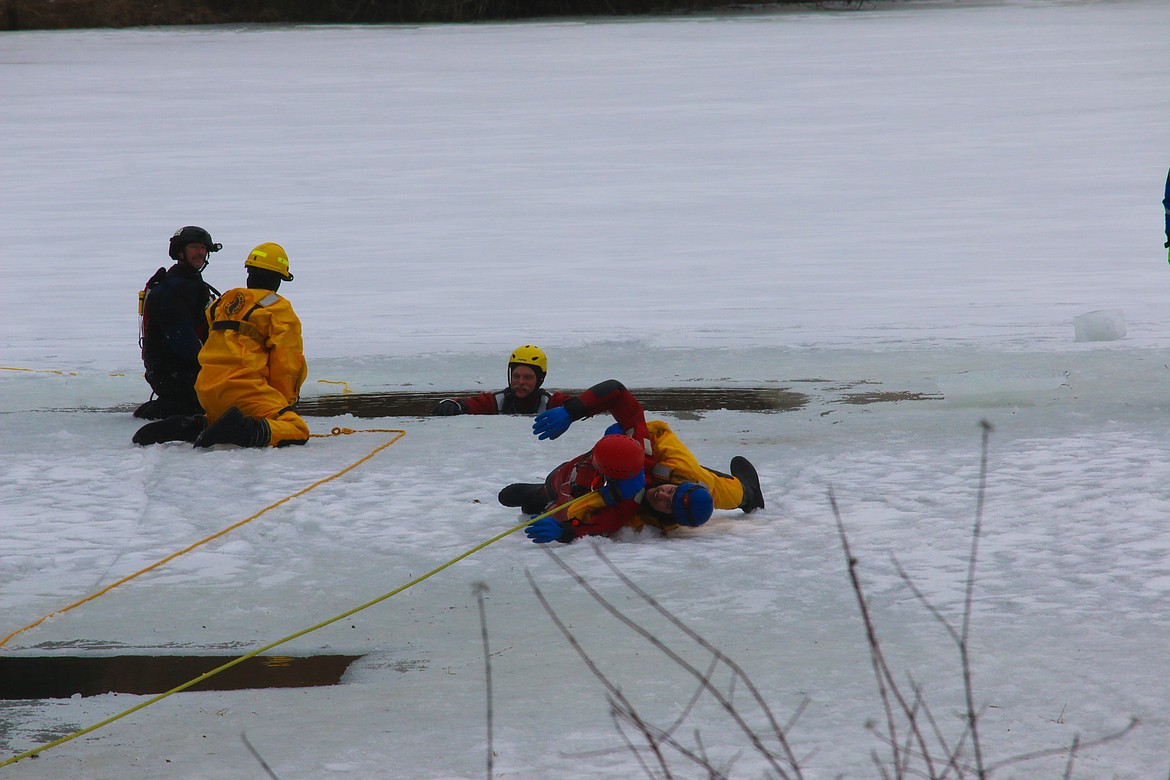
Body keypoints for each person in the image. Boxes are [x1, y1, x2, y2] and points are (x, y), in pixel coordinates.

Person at [498, 379, 765, 543]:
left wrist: (562, 527)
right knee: (719, 487)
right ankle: (749, 495)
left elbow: (600, 520)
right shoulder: (679, 469)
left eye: (666, 503)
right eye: (670, 491)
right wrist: (573, 411)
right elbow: (617, 393)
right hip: (656, 468)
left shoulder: (632, 510)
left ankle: (542, 493)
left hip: (570, 487)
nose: (662, 494)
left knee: (543, 495)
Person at [132, 242, 309, 448]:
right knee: (297, 429)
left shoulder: (225, 300)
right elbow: (287, 363)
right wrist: (283, 402)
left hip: (207, 390)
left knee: (219, 418)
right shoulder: (279, 309)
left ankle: (193, 425)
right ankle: (244, 430)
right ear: (279, 278)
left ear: (249, 272)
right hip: (245, 390)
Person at [134, 226, 222, 420]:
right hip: (175, 373)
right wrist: (212, 367)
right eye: (194, 247)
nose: (200, 252)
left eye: (203, 248)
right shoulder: (174, 289)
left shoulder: (189, 283)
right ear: (180, 252)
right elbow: (182, 339)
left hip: (177, 371)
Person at [431, 344, 573, 416]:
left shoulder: (551, 402)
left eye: (528, 377)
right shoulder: (496, 401)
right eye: (516, 376)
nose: (521, 382)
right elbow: (468, 404)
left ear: (540, 379)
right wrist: (452, 404)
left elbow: (579, 404)